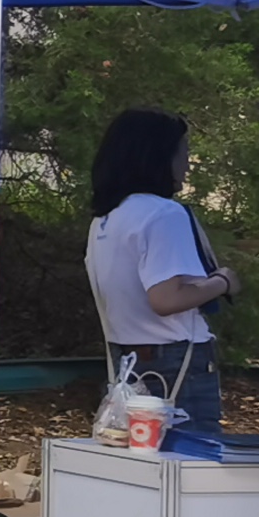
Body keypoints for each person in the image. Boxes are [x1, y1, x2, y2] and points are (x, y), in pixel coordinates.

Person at [82, 108, 232, 435]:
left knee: (139, 455)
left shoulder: (106, 218)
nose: (187, 164)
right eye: (183, 153)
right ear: (158, 157)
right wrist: (222, 282)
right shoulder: (165, 214)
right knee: (192, 457)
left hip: (126, 359)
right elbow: (166, 299)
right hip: (177, 360)